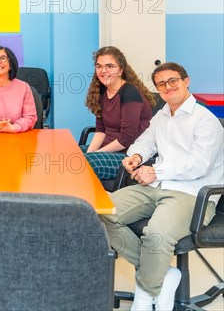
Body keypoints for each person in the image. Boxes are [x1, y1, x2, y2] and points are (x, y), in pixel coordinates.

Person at [101, 62, 223, 311]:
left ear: (186, 81)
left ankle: (146, 295)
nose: (167, 87)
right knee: (102, 212)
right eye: (161, 84)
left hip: (192, 193)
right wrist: (136, 156)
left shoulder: (205, 120)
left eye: (173, 81)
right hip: (157, 185)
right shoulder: (163, 115)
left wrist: (155, 170)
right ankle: (162, 275)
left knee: (156, 234)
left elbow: (198, 165)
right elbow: (146, 141)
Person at [82, 46, 155, 180]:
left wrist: (95, 155)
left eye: (110, 66)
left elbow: (127, 138)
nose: (103, 71)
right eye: (99, 66)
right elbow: (100, 131)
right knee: (69, 155)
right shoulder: (102, 91)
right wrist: (90, 152)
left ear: (121, 70)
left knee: (82, 164)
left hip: (127, 155)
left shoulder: (129, 92)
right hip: (108, 149)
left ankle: (83, 201)